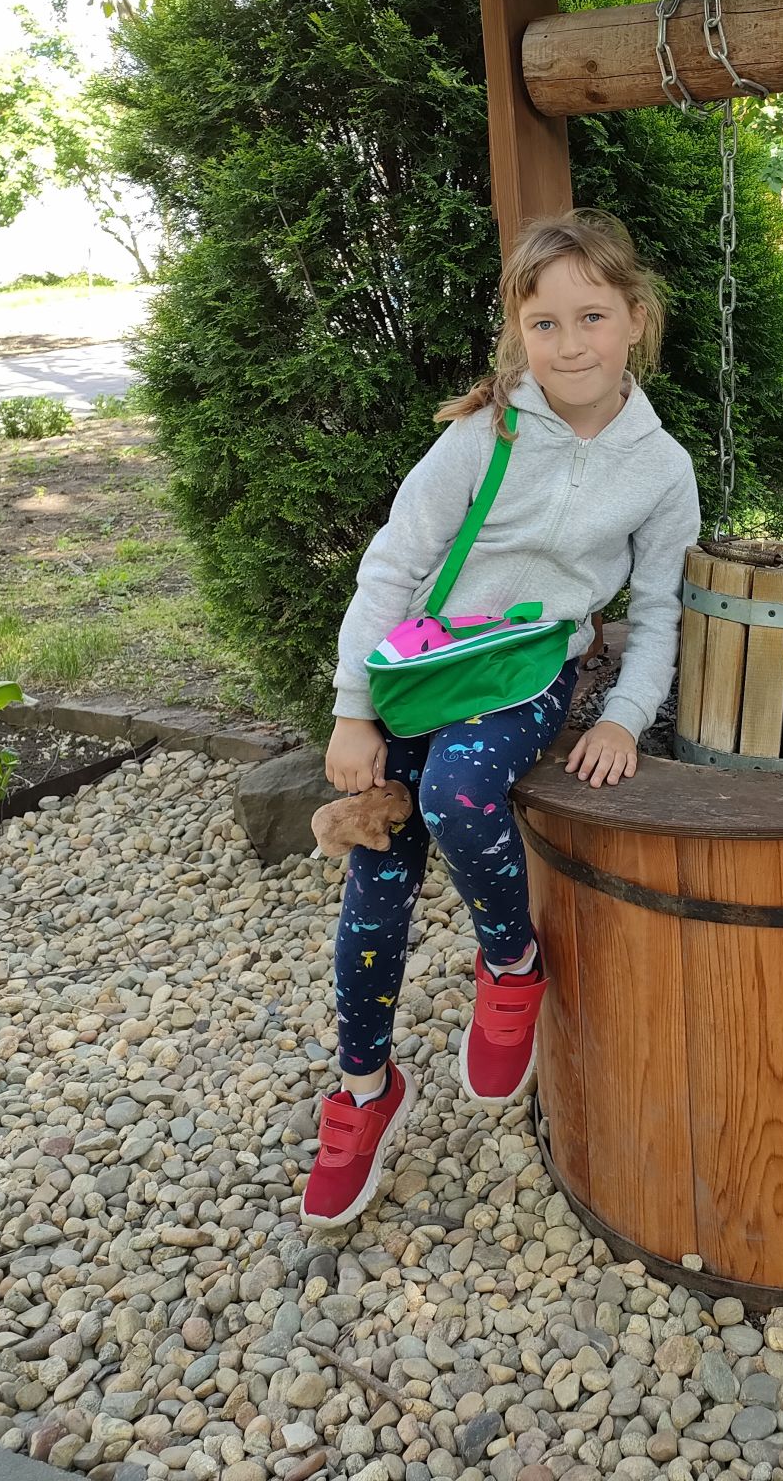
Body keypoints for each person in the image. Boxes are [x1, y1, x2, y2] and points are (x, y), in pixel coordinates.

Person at [300, 209, 702, 1228]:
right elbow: (392, 564)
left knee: (457, 791)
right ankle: (363, 1088)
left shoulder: (661, 468)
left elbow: (660, 610)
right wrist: (353, 710)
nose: (569, 344)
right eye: (544, 323)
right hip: (425, 673)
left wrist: (623, 717)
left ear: (637, 316)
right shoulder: (484, 437)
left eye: (591, 317)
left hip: (526, 673)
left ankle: (511, 962)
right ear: (518, 332)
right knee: (376, 878)